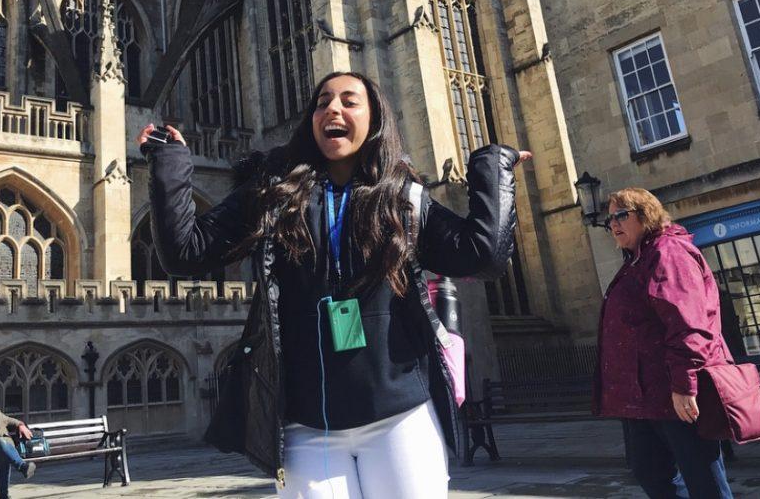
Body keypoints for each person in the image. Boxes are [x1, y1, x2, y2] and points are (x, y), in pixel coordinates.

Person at [138, 71, 528, 499]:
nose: (332, 109)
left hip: (399, 418)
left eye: (349, 100)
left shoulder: (403, 198)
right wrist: (170, 164)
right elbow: (186, 253)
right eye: (322, 101)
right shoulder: (275, 193)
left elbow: (484, 256)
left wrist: (493, 165)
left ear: (375, 118)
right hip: (307, 429)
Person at [594, 187, 734, 499]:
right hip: (644, 398)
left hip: (674, 395)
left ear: (646, 215)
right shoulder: (638, 259)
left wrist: (685, 385)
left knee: (704, 481)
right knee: (652, 474)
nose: (614, 224)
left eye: (621, 215)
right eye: (609, 220)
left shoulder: (667, 252)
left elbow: (689, 323)